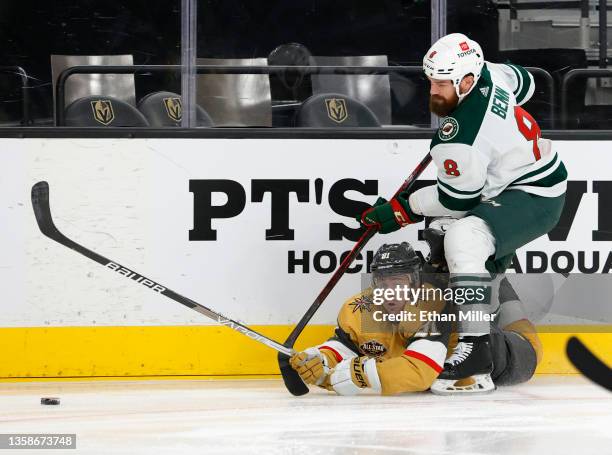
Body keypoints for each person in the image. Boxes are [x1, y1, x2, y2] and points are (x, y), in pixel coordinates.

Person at [357, 33, 566, 392]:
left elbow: (457, 200)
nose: (434, 91)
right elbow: (527, 81)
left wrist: (402, 209)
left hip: (534, 194)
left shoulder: (459, 137)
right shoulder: (489, 73)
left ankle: (476, 351)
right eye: (432, 81)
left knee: (463, 237)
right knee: (445, 233)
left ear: (467, 81)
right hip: (514, 179)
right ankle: (470, 310)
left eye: (443, 83)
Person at [289, 223, 543, 395]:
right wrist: (320, 358)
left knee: (524, 332)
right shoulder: (361, 307)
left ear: (415, 281)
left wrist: (360, 376)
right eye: (383, 282)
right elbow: (344, 345)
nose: (390, 291)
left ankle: (498, 280)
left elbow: (420, 372)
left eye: (398, 282)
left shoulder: (429, 302)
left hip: (506, 354)